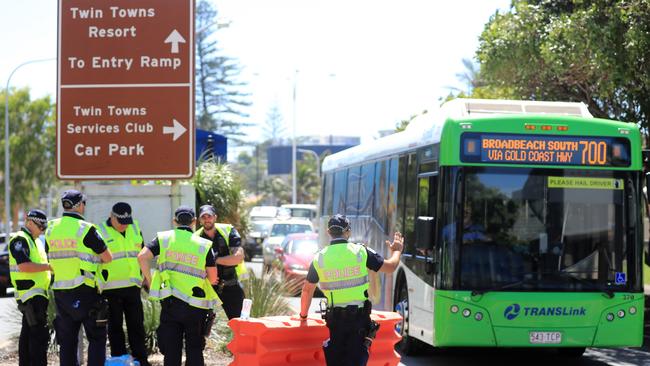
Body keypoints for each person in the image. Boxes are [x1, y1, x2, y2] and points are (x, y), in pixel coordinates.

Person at [299, 214, 404, 366]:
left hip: (335, 321)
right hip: (359, 321)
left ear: (329, 232)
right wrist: (397, 251)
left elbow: (307, 291)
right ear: (348, 232)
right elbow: (391, 267)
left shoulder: (319, 258)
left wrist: (303, 317)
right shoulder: (361, 252)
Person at [137, 206, 219, 366]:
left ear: (174, 221)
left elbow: (142, 257)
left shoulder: (164, 239)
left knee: (172, 349)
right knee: (194, 348)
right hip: (196, 305)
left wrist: (150, 279)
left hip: (170, 303)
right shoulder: (204, 245)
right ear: (194, 222)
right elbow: (213, 277)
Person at [45, 189, 113, 366]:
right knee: (97, 337)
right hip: (85, 291)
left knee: (67, 341)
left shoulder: (51, 229)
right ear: (79, 205)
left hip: (60, 292)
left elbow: (48, 255)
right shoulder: (86, 229)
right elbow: (107, 257)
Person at [97, 202, 150, 366]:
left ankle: (141, 359)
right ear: (111, 217)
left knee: (137, 326)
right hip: (110, 289)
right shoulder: (100, 231)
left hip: (133, 287)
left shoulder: (134, 228)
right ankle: (119, 360)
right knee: (115, 328)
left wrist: (146, 279)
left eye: (126, 222)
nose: (124, 226)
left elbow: (142, 254)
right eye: (120, 222)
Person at [8, 209, 52, 366]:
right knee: (37, 337)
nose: (42, 230)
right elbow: (24, 266)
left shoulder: (37, 241)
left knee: (29, 336)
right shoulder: (20, 239)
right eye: (41, 227)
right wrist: (49, 267)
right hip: (30, 296)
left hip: (38, 296)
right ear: (29, 222)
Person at [193, 204, 246, 319]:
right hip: (207, 286)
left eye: (209, 216)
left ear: (215, 217)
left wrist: (213, 261)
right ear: (199, 220)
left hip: (230, 284)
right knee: (199, 325)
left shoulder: (228, 231)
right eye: (204, 217)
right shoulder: (195, 238)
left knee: (239, 323)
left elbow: (238, 257)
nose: (207, 219)